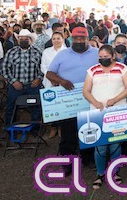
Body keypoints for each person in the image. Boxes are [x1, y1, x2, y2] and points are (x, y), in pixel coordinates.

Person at [46, 27, 99, 174]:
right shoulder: (62, 54)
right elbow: (49, 74)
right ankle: (67, 163)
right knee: (68, 134)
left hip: (91, 100)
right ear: (71, 39)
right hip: (69, 102)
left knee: (89, 130)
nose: (79, 41)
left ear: (88, 38)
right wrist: (61, 81)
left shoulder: (97, 53)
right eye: (76, 38)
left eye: (82, 38)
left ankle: (88, 158)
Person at [82, 45, 127, 189]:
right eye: (100, 57)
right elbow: (86, 91)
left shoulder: (122, 68)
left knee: (115, 144)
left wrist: (115, 100)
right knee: (100, 146)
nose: (103, 59)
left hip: (117, 111)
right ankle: (100, 174)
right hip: (97, 113)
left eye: (106, 57)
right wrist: (95, 102)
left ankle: (114, 173)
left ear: (113, 56)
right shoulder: (92, 70)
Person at [2, 29, 43, 125]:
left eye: (26, 39)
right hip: (15, 86)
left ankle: (35, 128)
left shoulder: (37, 52)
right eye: (21, 39)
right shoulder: (11, 52)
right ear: (18, 40)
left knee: (37, 107)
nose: (23, 40)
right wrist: (13, 81)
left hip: (33, 85)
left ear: (30, 40)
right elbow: (5, 68)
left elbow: (43, 68)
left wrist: (39, 79)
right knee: (10, 107)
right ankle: (10, 127)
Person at [40, 31, 67, 138]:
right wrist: (52, 78)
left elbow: (68, 67)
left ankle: (61, 128)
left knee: (62, 105)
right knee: (52, 105)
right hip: (49, 81)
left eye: (58, 38)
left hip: (63, 81)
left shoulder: (67, 52)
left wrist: (58, 79)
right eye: (54, 39)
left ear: (63, 39)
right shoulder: (46, 51)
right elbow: (43, 66)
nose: (56, 41)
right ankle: (53, 127)